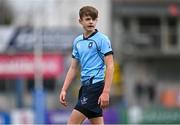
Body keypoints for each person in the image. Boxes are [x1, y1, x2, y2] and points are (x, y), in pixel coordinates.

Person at [59, 6, 114, 124]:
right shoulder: (78, 41)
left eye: (94, 19)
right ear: (80, 21)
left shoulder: (102, 39)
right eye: (88, 19)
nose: (91, 22)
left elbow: (110, 66)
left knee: (72, 123)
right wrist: (64, 89)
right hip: (85, 88)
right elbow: (73, 68)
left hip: (96, 87)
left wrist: (106, 92)